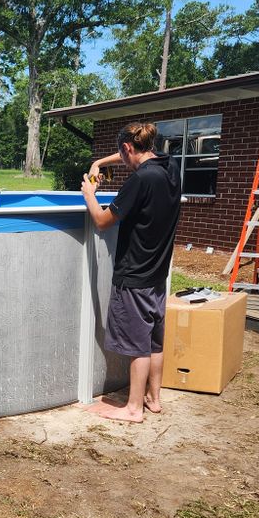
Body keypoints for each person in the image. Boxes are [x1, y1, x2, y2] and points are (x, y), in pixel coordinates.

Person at [80, 122, 181, 423]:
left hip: (134, 276)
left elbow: (101, 221)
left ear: (127, 148)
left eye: (121, 153)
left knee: (138, 346)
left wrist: (90, 193)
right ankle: (154, 398)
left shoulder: (139, 182)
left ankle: (133, 408)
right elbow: (133, 153)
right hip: (157, 275)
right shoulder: (169, 168)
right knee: (154, 340)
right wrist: (99, 162)